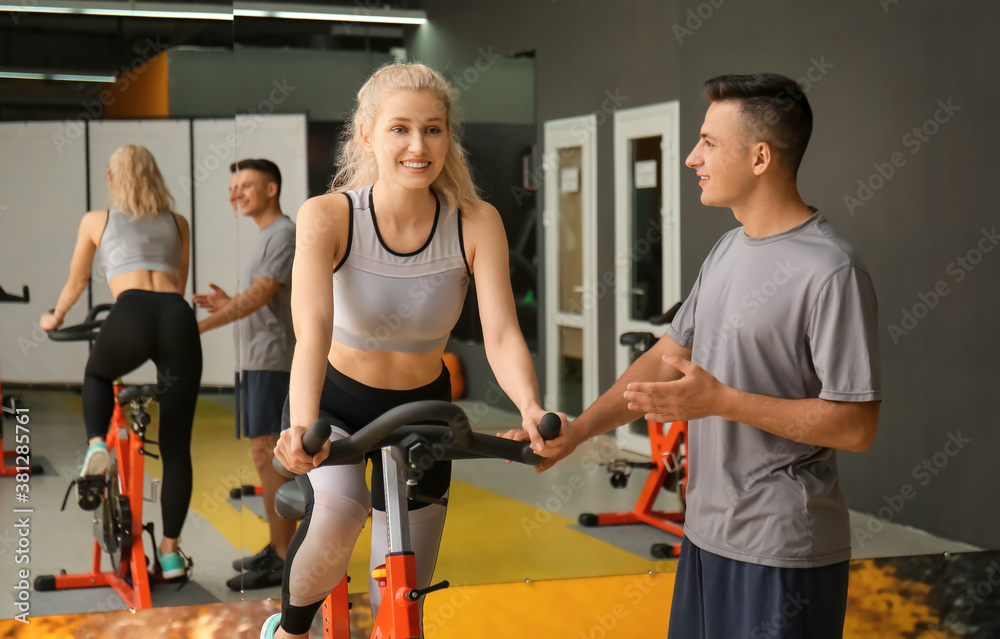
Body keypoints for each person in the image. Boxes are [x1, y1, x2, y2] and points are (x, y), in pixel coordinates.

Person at [512, 74, 882, 638]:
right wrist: (582, 429)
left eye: (709, 142)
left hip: (781, 549)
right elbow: (666, 355)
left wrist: (722, 402)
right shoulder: (728, 248)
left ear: (760, 157)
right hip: (706, 536)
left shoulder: (831, 271)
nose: (691, 158)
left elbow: (856, 425)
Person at [259, 62, 554, 639]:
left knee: (403, 585)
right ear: (366, 134)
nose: (419, 145)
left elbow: (500, 333)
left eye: (434, 129)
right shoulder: (329, 216)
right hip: (336, 408)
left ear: (449, 136)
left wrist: (531, 411)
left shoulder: (476, 221)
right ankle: (290, 629)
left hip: (426, 411)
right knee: (338, 517)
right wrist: (300, 426)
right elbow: (312, 331)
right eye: (400, 129)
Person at [40, 144, 203, 580]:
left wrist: (54, 317)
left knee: (97, 373)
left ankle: (96, 445)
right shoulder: (179, 222)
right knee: (175, 444)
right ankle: (169, 555)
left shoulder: (98, 220)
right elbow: (180, 284)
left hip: (129, 313)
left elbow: (76, 282)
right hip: (175, 316)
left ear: (112, 180)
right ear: (155, 175)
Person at [194, 158, 297, 591]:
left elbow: (260, 296)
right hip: (257, 359)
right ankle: (278, 548)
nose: (237, 194)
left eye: (246, 186)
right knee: (264, 455)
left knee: (271, 455)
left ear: (271, 189)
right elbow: (257, 297)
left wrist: (196, 327)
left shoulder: (284, 234)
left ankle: (284, 557)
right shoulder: (265, 236)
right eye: (233, 188)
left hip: (274, 360)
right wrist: (225, 304)